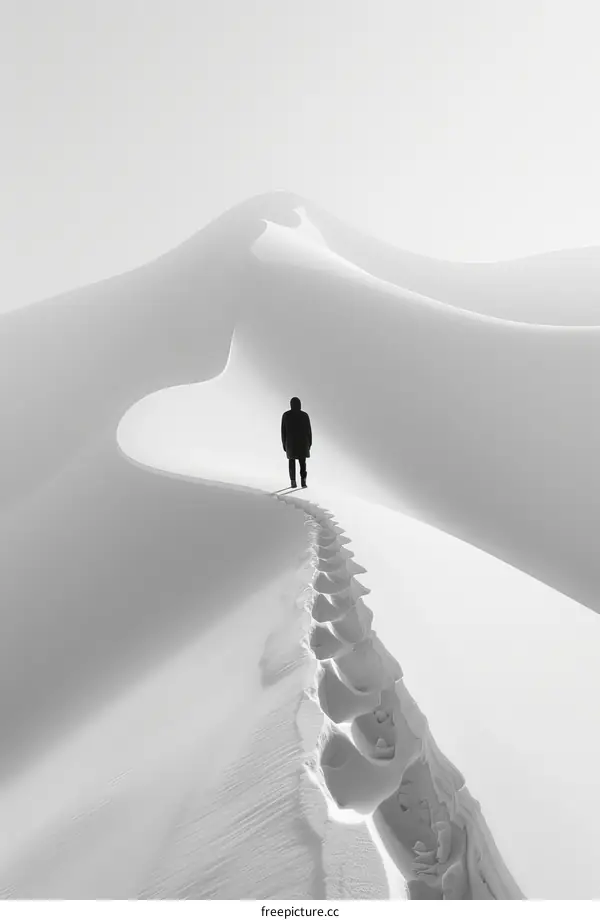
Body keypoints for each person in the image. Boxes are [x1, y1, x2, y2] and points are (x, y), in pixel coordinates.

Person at [281, 397, 312, 488]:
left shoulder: (286, 415)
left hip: (290, 444)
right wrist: (309, 443)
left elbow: (283, 432)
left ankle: (293, 482)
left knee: (291, 462)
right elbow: (309, 431)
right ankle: (303, 481)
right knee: (303, 463)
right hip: (303, 443)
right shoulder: (304, 415)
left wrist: (284, 444)